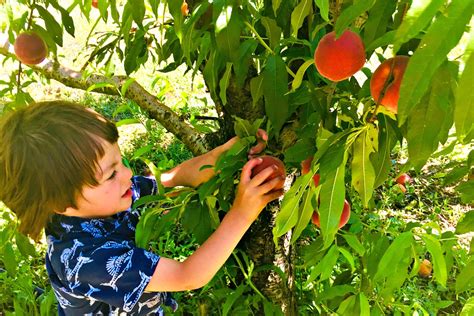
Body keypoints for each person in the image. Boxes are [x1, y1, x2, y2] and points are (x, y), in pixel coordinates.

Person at [0, 100, 284, 315]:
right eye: (110, 174)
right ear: (60, 203)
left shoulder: (95, 199)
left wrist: (222, 157)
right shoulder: (86, 261)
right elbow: (189, 276)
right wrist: (243, 212)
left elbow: (171, 181)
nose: (126, 175)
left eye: (120, 162)